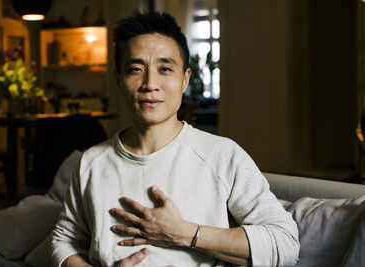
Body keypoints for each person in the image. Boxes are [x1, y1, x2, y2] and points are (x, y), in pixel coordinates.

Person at [51, 11, 300, 267]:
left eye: (165, 69)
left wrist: (186, 234)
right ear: (118, 78)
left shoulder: (221, 155)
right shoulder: (92, 161)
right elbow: (63, 241)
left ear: (185, 79)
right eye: (136, 69)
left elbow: (284, 243)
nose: (150, 83)